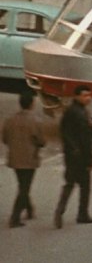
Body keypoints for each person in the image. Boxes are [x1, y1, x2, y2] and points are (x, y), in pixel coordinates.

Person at [54, 85, 92, 228]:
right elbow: (85, 140)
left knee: (69, 183)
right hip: (81, 157)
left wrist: (70, 148)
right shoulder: (81, 114)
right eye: (85, 95)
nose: (88, 98)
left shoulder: (69, 111)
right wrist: (90, 159)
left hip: (70, 155)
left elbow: (64, 131)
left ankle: (60, 209)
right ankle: (82, 214)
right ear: (77, 96)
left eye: (89, 95)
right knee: (85, 186)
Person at [2, 90, 45, 228]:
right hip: (29, 158)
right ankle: (15, 217)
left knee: (23, 184)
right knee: (25, 187)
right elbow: (41, 141)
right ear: (32, 104)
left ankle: (30, 209)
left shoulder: (10, 120)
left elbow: (5, 139)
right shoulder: (35, 120)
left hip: (14, 158)